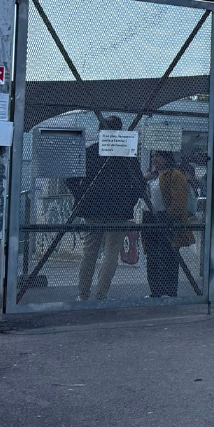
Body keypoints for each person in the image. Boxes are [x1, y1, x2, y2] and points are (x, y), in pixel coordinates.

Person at [67, 116, 147, 301]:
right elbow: (140, 184)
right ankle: (101, 295)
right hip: (118, 209)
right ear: (120, 132)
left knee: (90, 252)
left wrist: (82, 196)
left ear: (100, 131)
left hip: (92, 208)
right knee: (111, 252)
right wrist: (129, 201)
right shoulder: (127, 155)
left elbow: (70, 179)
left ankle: (83, 293)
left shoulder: (92, 152)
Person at [143, 151, 196, 298]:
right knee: (152, 256)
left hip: (167, 219)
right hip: (150, 218)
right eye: (153, 156)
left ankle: (169, 290)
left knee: (169, 256)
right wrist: (144, 178)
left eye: (158, 156)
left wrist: (169, 216)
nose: (154, 159)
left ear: (166, 158)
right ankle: (155, 291)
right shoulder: (151, 176)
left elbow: (179, 200)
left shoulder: (174, 175)